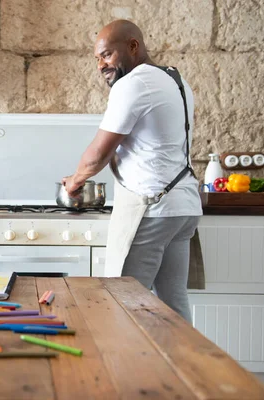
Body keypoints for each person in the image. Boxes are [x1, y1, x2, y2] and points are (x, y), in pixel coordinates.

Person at [63, 20, 202, 322]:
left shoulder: (134, 83)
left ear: (133, 46)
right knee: (173, 303)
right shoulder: (176, 80)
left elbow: (98, 154)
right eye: (97, 58)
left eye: (107, 55)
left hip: (151, 210)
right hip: (183, 208)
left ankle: (125, 370)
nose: (100, 65)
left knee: (122, 304)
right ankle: (179, 369)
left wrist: (73, 182)